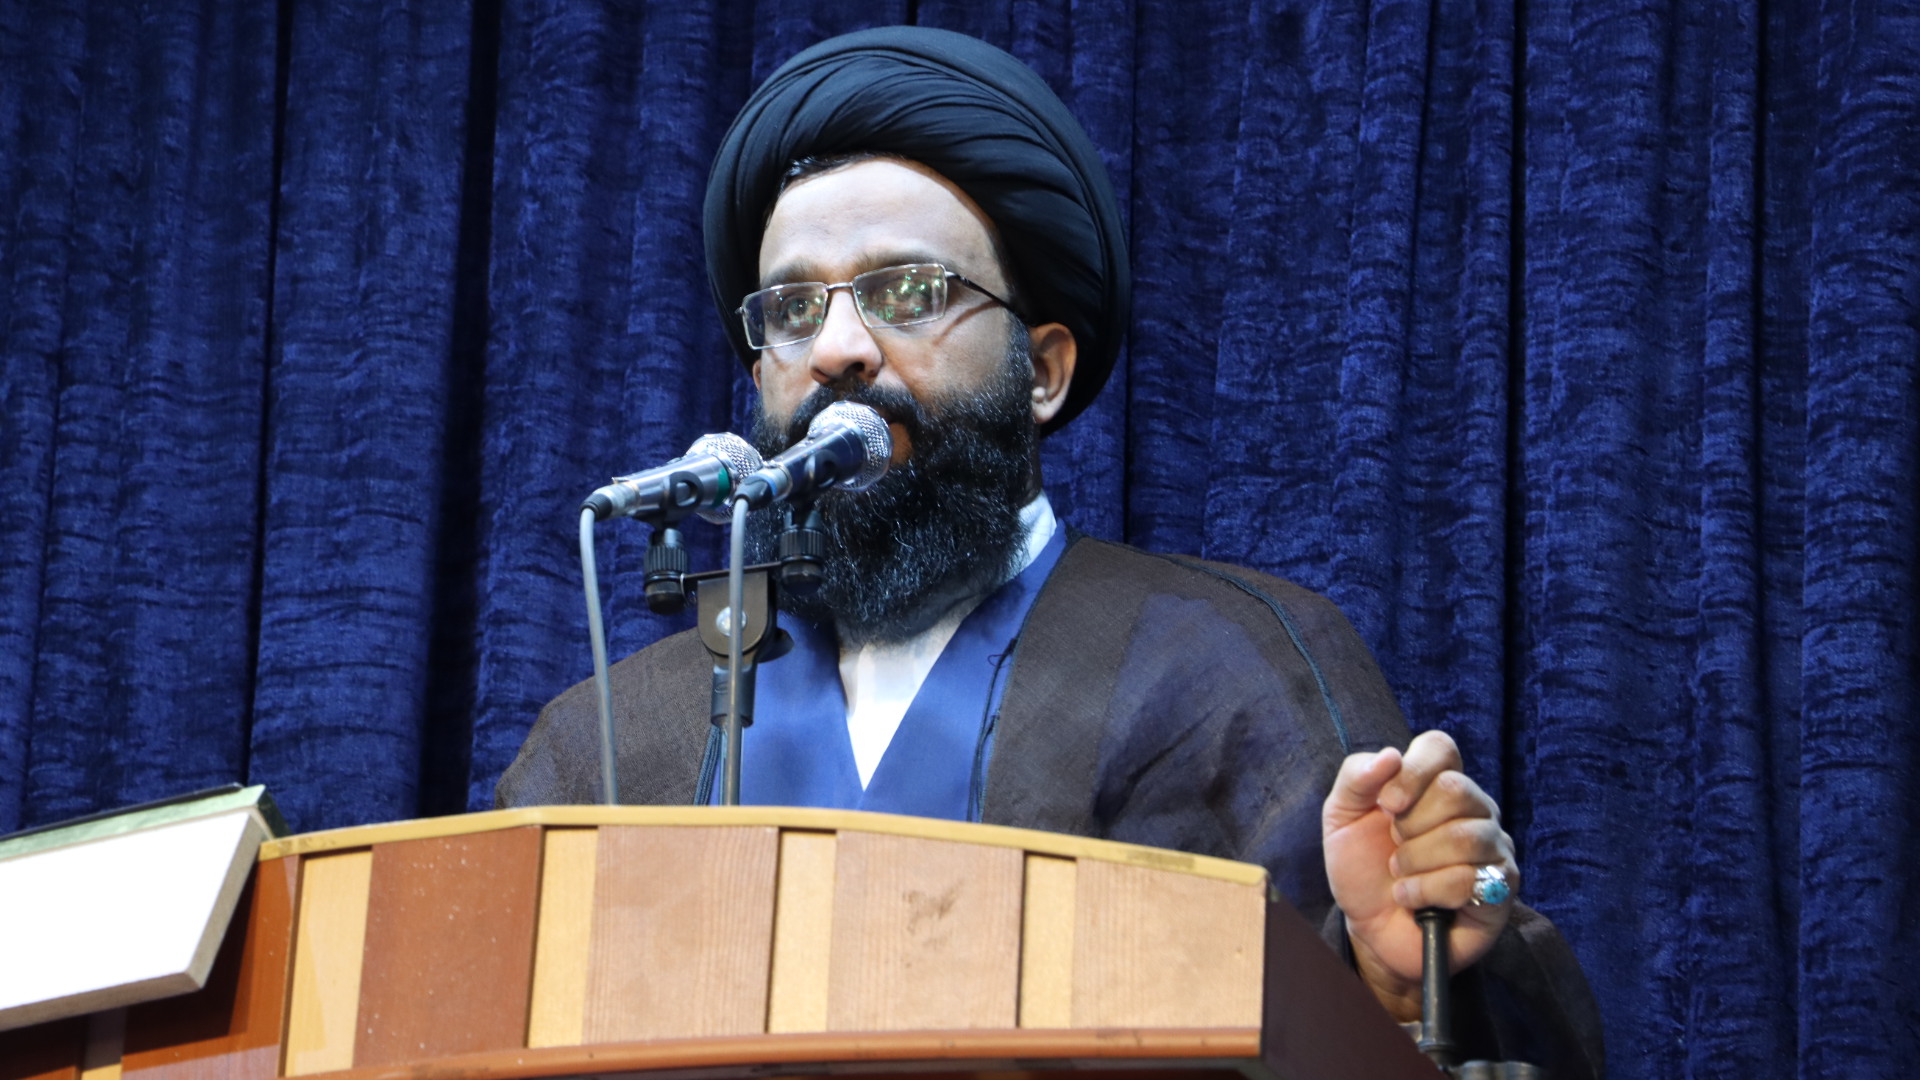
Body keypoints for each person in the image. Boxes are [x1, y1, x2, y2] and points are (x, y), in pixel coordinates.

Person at [498, 26, 1602, 1078]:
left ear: (1042, 371)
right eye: (792, 309)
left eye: (907, 292)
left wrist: (1398, 983)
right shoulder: (614, 738)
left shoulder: (1218, 667)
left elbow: (1442, 1020)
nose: (836, 348)